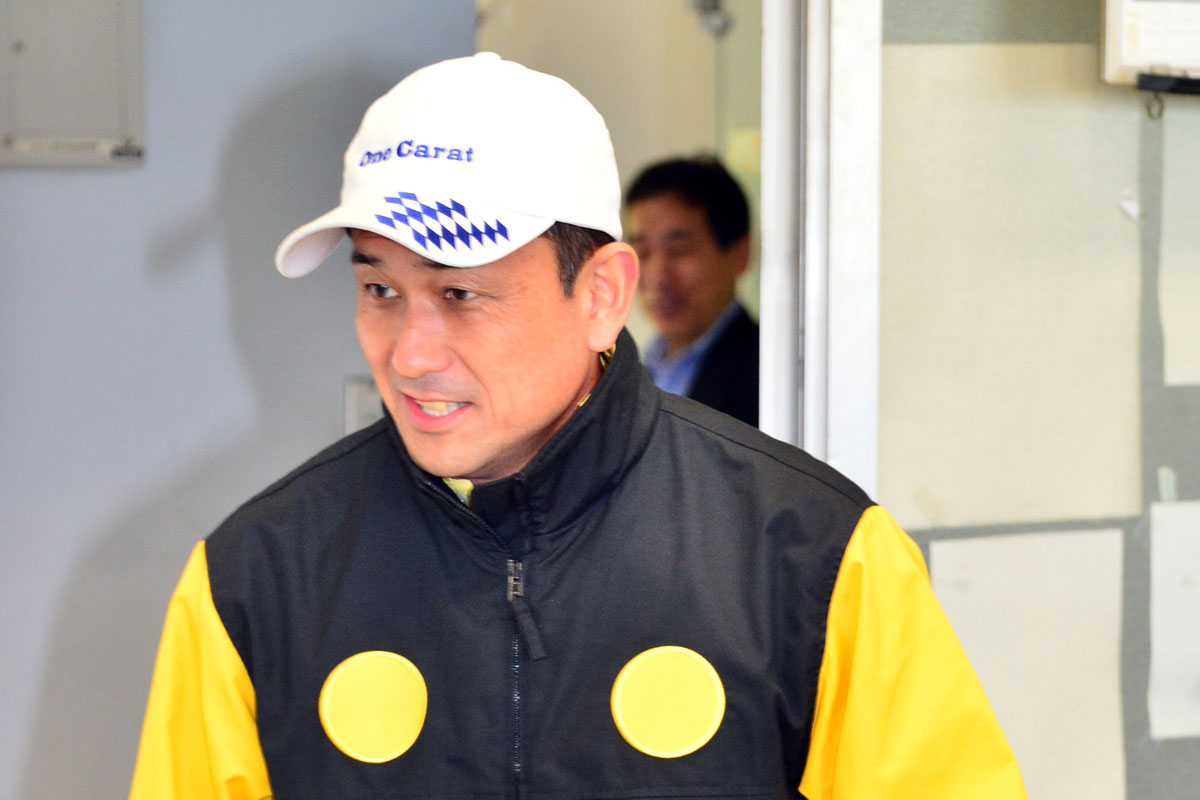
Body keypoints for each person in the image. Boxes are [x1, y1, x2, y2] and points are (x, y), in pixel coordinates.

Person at [130, 53, 1026, 799]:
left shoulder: (815, 557)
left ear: (600, 295)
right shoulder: (254, 578)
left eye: (460, 293)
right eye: (378, 289)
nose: (409, 354)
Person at [625, 156, 759, 426]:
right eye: (642, 252)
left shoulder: (764, 374)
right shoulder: (638, 368)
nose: (658, 277)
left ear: (739, 255)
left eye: (679, 251)